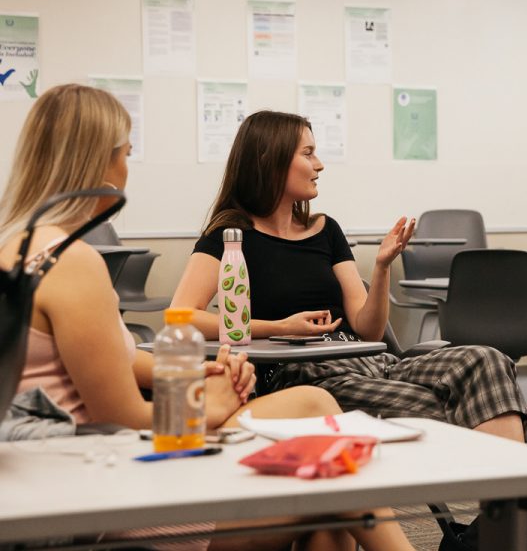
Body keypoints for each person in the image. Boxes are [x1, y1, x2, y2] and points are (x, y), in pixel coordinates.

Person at [0, 84, 414, 551]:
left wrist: (205, 371)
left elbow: (113, 360)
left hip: (61, 471)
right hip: (101, 492)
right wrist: (212, 407)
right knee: (324, 456)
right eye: (126, 154)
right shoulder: (73, 263)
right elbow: (125, 415)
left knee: (319, 453)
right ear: (99, 163)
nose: (126, 170)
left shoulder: (19, 251)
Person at [171, 110, 527, 446]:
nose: (319, 164)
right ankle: (501, 508)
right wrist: (279, 327)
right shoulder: (230, 235)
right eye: (308, 153)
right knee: (441, 405)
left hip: (369, 361)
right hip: (306, 376)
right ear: (270, 160)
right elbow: (182, 316)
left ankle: (500, 516)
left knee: (488, 360)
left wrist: (381, 268)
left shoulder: (325, 229)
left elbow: (368, 330)